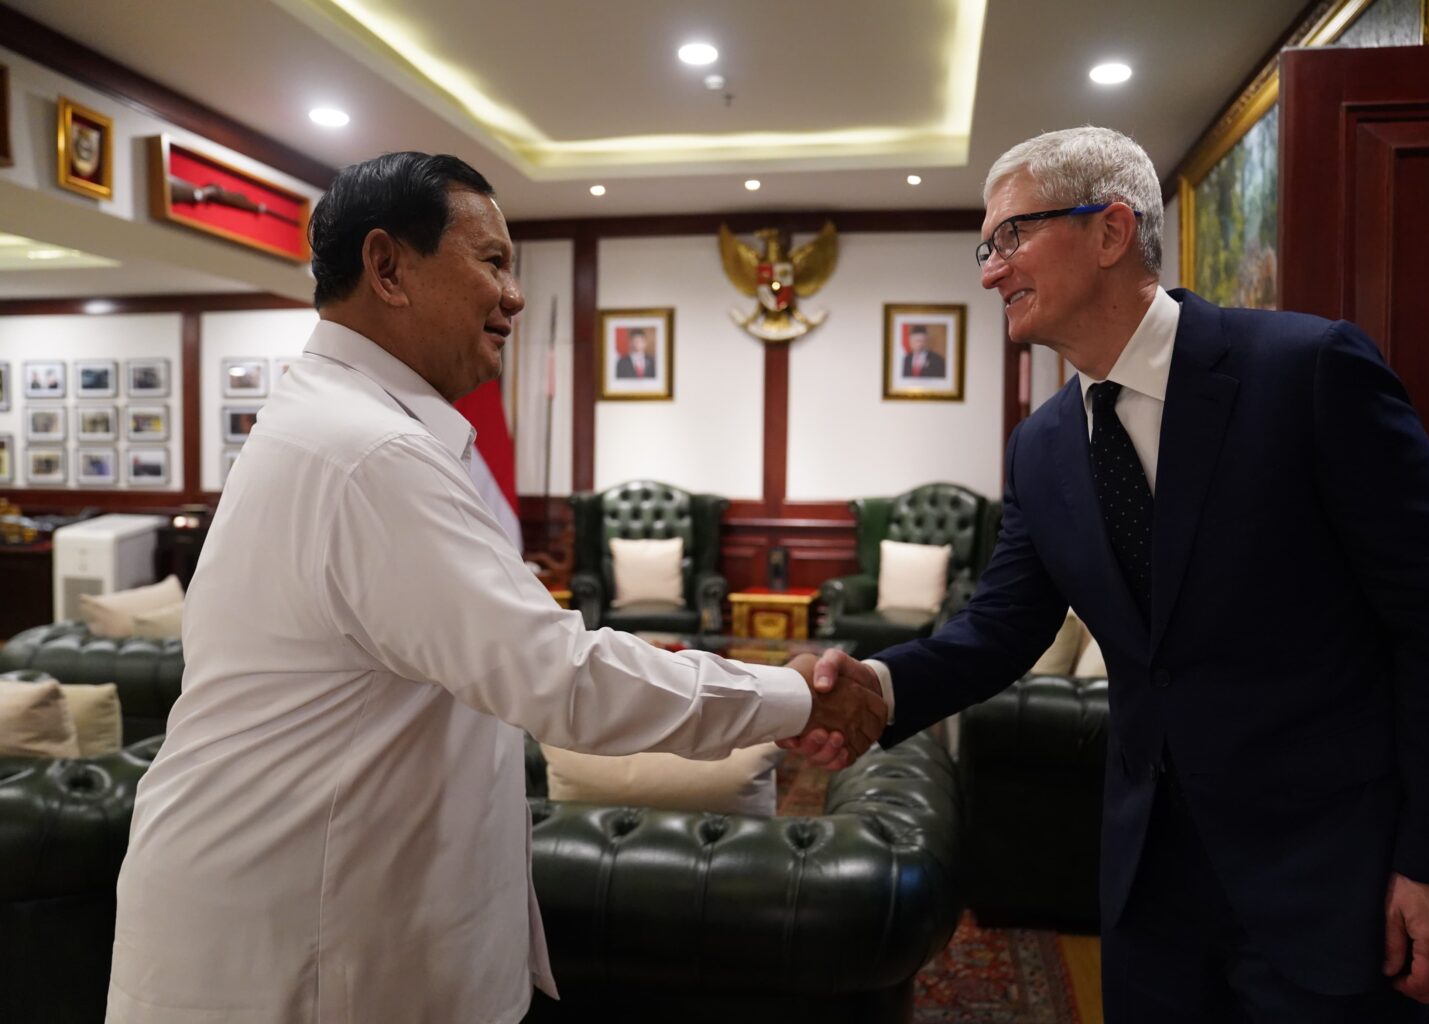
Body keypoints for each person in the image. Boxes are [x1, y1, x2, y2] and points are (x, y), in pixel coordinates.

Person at [105, 152, 884, 1024]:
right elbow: (560, 677)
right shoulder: (371, 454)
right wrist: (796, 697)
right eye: (494, 262)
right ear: (388, 267)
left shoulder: (342, 425)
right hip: (302, 950)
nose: (515, 296)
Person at [793, 126, 1429, 1023]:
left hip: (1328, 881)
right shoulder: (1043, 446)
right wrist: (880, 687)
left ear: (1110, 229)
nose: (989, 272)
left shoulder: (1308, 372)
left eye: (1010, 237)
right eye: (986, 247)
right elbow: (1002, 628)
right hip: (1148, 890)